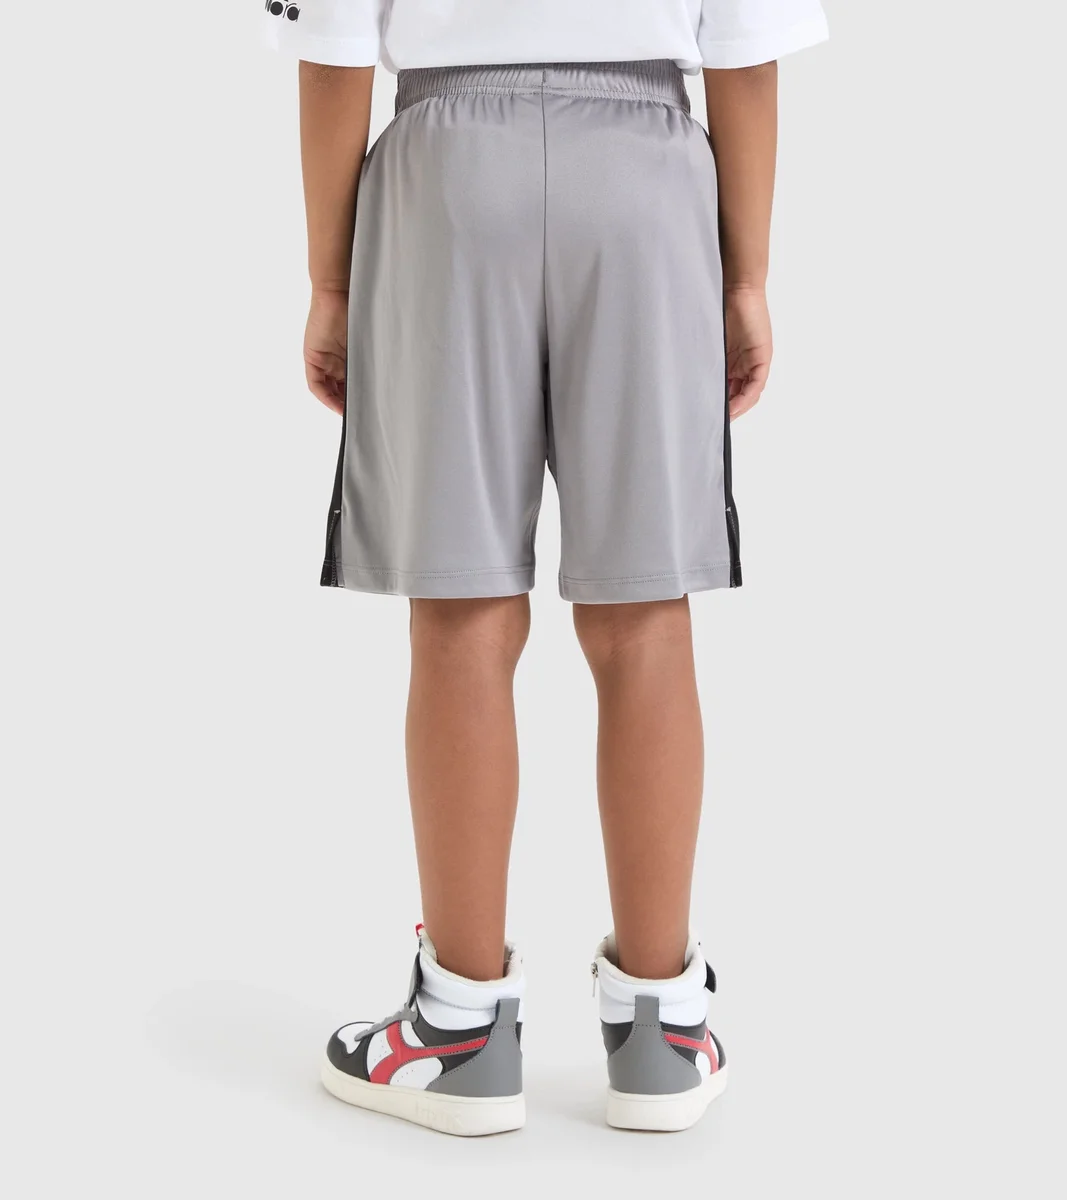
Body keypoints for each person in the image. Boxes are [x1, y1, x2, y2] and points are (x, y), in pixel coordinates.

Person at [264, 0, 827, 1136]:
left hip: (446, 176)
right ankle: (663, 1030)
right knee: (643, 612)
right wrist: (744, 277)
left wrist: (331, 280)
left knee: (461, 607)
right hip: (643, 179)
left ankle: (458, 1029)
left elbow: (329, 53)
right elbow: (747, 53)